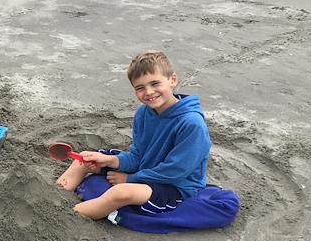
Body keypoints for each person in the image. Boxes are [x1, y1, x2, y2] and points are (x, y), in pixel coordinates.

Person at [56, 50, 211, 220]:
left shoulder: (191, 124)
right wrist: (109, 160)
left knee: (120, 192)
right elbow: (137, 156)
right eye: (140, 88)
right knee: (85, 159)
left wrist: (130, 178)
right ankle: (53, 200)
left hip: (175, 186)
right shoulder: (143, 113)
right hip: (146, 169)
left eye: (155, 83)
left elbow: (175, 171)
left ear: (172, 80)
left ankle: (63, 217)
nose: (149, 92)